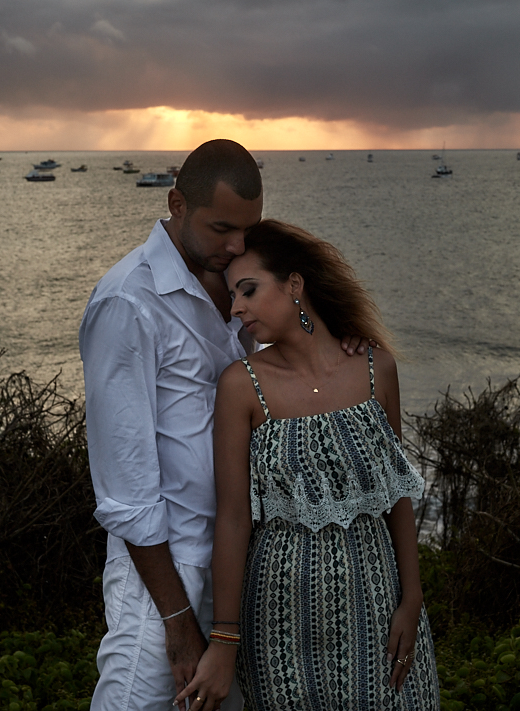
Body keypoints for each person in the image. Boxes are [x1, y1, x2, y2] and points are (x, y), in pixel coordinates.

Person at [79, 141, 368, 711]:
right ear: (177, 205)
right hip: (169, 571)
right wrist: (177, 620)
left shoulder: (237, 283)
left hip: (244, 563)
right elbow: (124, 489)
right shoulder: (129, 303)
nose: (236, 245)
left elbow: (293, 358)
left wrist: (344, 346)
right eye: (221, 229)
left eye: (247, 229)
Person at [177, 219, 440, 711]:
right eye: (232, 296)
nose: (236, 309)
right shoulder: (241, 385)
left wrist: (412, 598)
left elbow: (397, 494)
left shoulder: (376, 368)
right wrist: (225, 639)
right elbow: (233, 519)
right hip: (278, 621)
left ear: (294, 284)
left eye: (249, 290)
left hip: (377, 603)